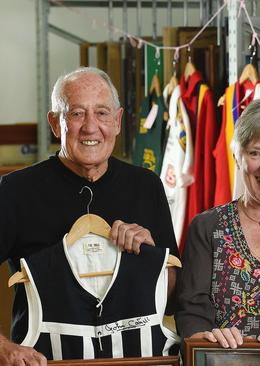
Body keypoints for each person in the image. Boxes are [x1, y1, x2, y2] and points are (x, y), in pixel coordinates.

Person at [0, 67, 179, 365]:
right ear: (55, 124)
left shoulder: (146, 186)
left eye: (102, 113)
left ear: (118, 121)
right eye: (77, 114)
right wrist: (4, 349)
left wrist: (153, 255)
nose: (90, 127)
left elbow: (174, 300)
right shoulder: (16, 191)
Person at [175, 99, 260, 348]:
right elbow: (191, 313)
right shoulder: (207, 228)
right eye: (255, 153)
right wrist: (209, 340)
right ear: (237, 157)